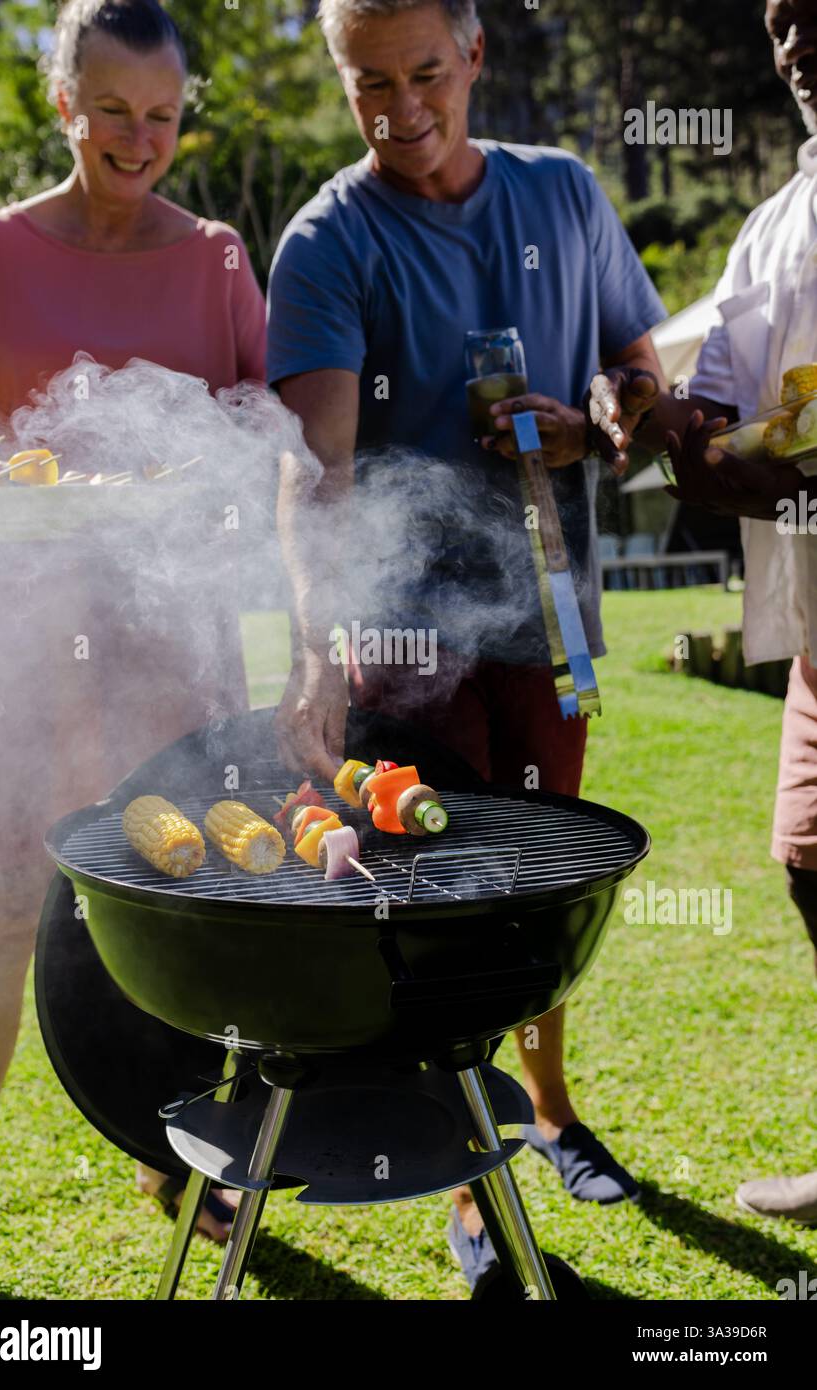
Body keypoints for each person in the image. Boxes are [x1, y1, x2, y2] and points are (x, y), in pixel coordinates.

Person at [266, 0, 664, 1288]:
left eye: (425, 72)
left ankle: (549, 1114)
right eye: (365, 82)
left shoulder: (564, 194)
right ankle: (477, 1185)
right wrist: (319, 651)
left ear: (477, 54)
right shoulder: (330, 238)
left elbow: (638, 381)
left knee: (544, 881)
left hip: (553, 614)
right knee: (451, 899)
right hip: (406, 636)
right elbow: (316, 467)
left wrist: (595, 418)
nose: (400, 107)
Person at [0, 0, 266, 1294]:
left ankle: (169, 1152)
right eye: (111, 111)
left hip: (173, 634)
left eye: (161, 115)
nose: (139, 140)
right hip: (24, 635)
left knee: (178, 901)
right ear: (62, 102)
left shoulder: (218, 259)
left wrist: (220, 486)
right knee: (0, 913)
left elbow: (263, 442)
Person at [591, 0, 817, 1229]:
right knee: (811, 868)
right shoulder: (775, 227)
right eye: (780, 18)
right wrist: (660, 422)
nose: (796, 37)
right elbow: (716, 418)